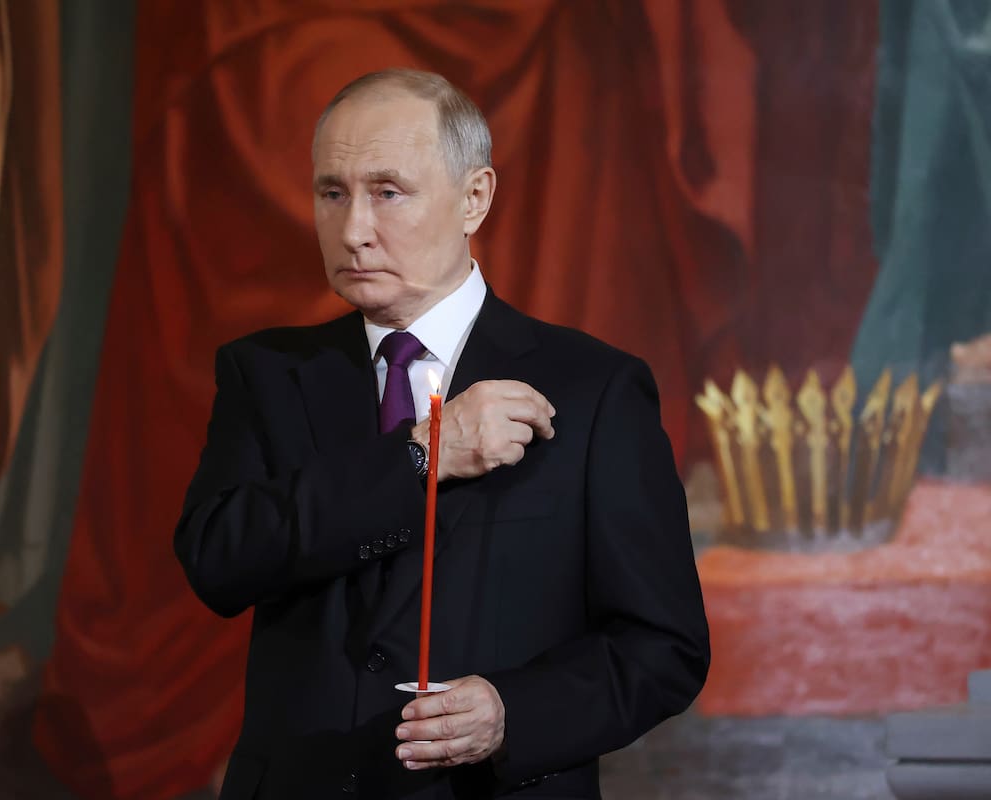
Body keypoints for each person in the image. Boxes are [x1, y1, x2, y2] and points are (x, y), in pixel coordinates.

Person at [174, 69, 710, 800]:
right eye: (332, 193)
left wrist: (511, 713)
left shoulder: (596, 388)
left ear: (474, 198)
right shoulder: (266, 374)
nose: (354, 230)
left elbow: (663, 646)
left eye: (388, 192)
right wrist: (421, 456)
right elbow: (218, 561)